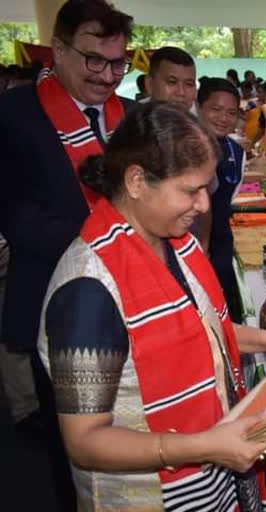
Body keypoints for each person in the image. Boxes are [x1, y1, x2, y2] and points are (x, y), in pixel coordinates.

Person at [38, 102, 266, 511]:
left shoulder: (172, 244)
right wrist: (203, 445)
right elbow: (86, 440)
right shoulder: (87, 289)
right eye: (190, 190)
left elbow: (199, 332)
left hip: (208, 470)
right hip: (152, 495)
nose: (202, 205)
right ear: (136, 181)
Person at [0, 1, 135, 509]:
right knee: (74, 438)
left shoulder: (130, 116)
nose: (106, 76)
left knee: (127, 419)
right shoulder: (14, 115)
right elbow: (16, 216)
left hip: (132, 295)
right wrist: (108, 238)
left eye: (118, 63)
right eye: (93, 61)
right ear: (57, 51)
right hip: (56, 300)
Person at [195, 78, 246, 323]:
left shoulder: (236, 152)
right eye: (215, 110)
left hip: (222, 242)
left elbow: (227, 198)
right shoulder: (184, 148)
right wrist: (202, 248)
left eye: (231, 112)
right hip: (189, 243)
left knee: (226, 308)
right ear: (198, 106)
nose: (223, 118)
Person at [145, 46, 197, 112]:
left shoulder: (201, 120)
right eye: (172, 82)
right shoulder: (132, 120)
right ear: (149, 84)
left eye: (189, 84)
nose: (181, 92)